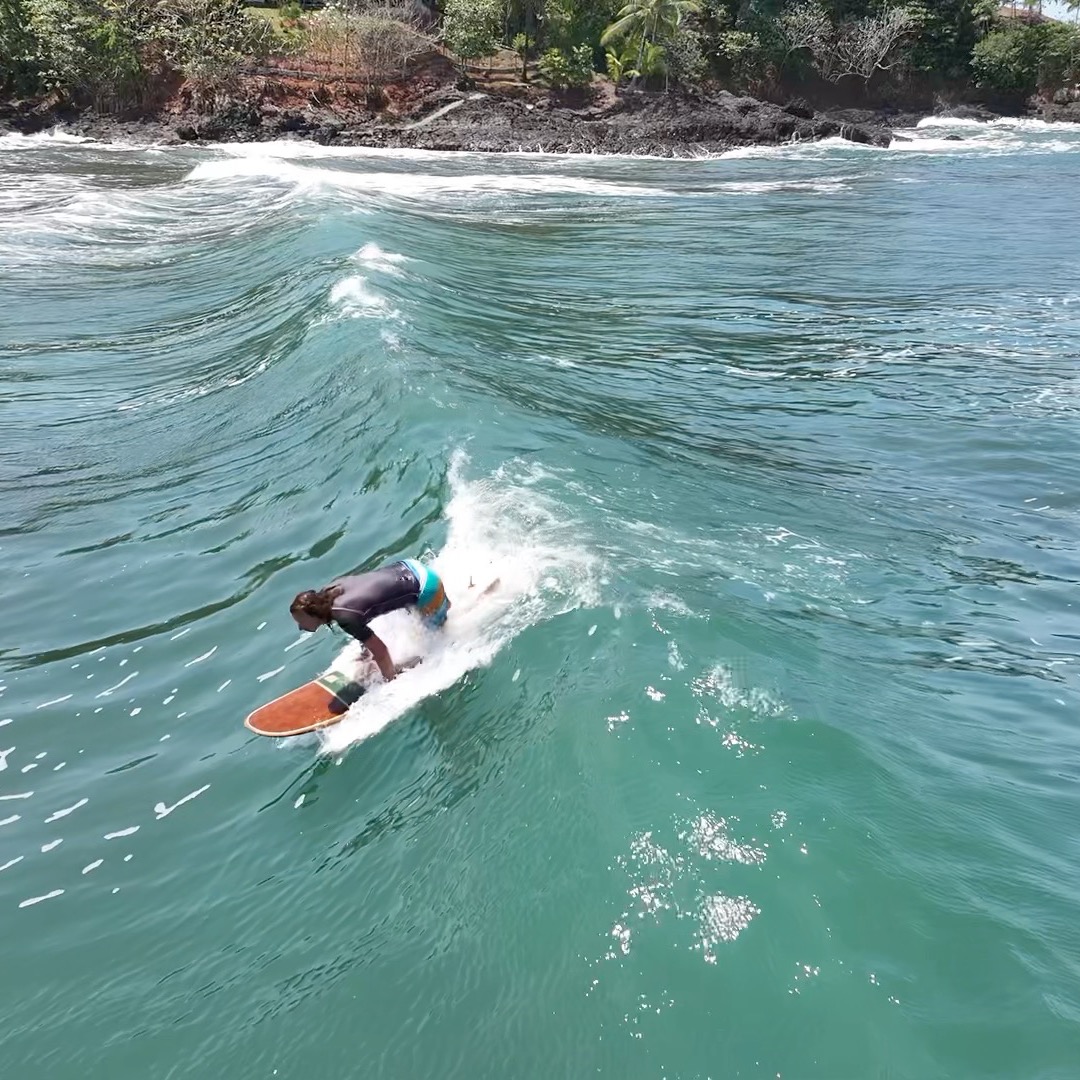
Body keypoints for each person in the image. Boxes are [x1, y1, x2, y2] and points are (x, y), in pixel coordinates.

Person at [290, 559, 450, 682]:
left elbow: (381, 650)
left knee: (439, 637)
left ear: (314, 614)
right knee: (423, 618)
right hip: (409, 567)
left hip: (426, 586)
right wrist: (366, 653)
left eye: (301, 621)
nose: (300, 627)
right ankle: (445, 605)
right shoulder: (330, 591)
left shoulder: (344, 617)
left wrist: (390, 681)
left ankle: (455, 627)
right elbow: (361, 611)